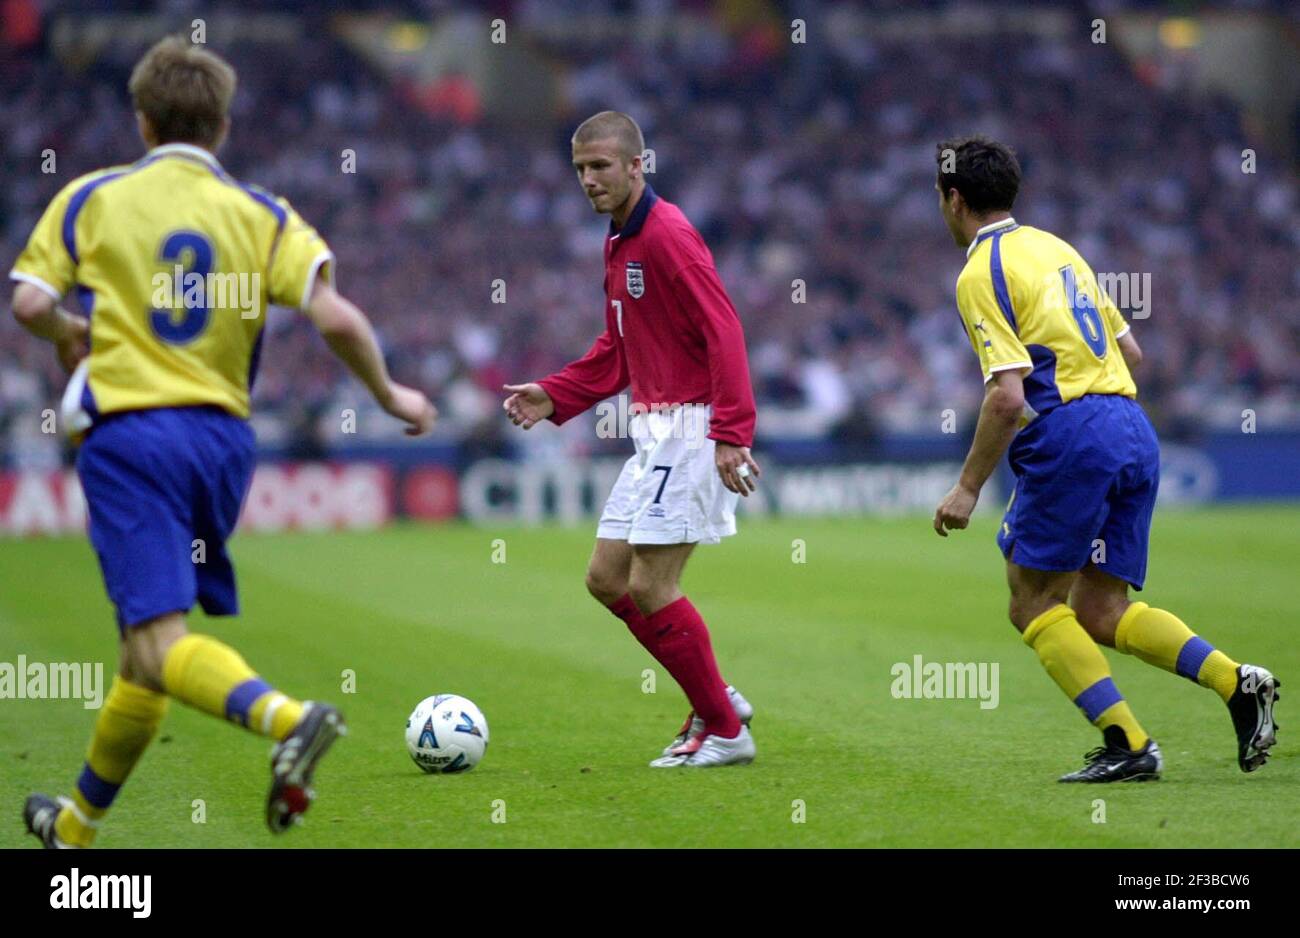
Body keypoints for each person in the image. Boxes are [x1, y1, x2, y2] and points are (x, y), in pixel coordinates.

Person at [11, 36, 436, 847]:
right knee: (142, 657)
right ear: (224, 127)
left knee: (157, 637)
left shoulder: (92, 198)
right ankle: (74, 828)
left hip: (132, 435)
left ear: (142, 122)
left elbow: (29, 305)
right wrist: (391, 394)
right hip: (223, 443)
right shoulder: (263, 215)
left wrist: (72, 332)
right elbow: (336, 316)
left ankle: (290, 720)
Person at [931, 135, 1279, 782]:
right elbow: (1133, 352)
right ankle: (1237, 682)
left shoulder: (981, 272)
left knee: (1031, 602)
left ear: (954, 199)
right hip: (1130, 425)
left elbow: (1005, 397)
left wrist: (968, 487)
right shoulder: (1056, 248)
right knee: (1099, 610)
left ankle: (1130, 745)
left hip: (1072, 435)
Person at [503, 111, 760, 767]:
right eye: (580, 170)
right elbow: (618, 350)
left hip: (693, 427)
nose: (588, 180)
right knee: (605, 577)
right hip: (654, 432)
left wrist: (731, 434)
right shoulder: (619, 241)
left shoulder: (668, 233)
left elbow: (724, 329)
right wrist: (555, 392)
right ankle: (714, 697)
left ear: (636, 166)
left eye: (600, 167)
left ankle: (726, 730)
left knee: (651, 585)